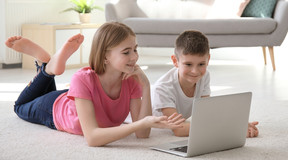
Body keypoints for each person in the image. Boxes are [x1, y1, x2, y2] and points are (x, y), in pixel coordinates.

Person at [5, 22, 184, 147]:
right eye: (126, 52)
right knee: (19, 106)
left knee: (50, 92)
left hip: (82, 97)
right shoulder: (82, 79)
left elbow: (143, 135)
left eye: (135, 49)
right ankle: (46, 69)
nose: (134, 57)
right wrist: (140, 123)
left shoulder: (131, 79)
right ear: (105, 56)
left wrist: (146, 85)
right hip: (54, 109)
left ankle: (46, 66)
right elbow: (92, 138)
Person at [152, 30, 259, 137]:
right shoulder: (163, 88)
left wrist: (237, 122)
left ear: (208, 60)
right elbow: (179, 129)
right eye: (188, 64)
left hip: (181, 122)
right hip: (154, 128)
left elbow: (206, 114)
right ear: (175, 61)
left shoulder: (204, 76)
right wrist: (231, 128)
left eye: (201, 64)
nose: (195, 71)